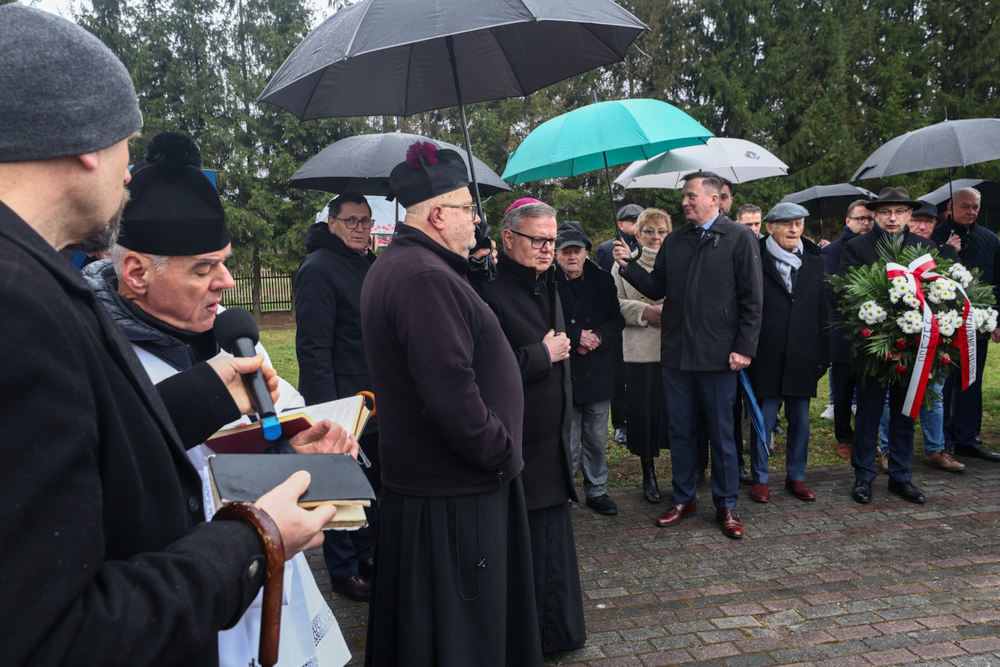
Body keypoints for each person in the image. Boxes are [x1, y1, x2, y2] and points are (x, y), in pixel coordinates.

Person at [0, 7, 335, 665]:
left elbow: (87, 444)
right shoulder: (18, 303)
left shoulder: (28, 277)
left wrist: (207, 392)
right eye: (129, 141)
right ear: (86, 142)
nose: (130, 174)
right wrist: (257, 536)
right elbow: (55, 634)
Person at [82, 131, 353, 667]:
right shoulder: (96, 356)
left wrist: (302, 452)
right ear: (136, 272)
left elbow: (278, 429)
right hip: (178, 606)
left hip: (274, 585)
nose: (225, 282)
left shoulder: (235, 339)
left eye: (224, 262)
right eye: (203, 268)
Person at [360, 142, 541, 667]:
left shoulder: (413, 266)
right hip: (456, 495)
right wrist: (502, 452)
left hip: (442, 490)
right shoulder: (424, 278)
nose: (476, 221)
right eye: (468, 209)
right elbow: (451, 401)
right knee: (464, 641)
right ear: (438, 215)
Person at [614, 171, 763, 539]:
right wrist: (628, 266)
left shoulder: (739, 238)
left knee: (721, 433)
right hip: (677, 354)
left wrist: (744, 348)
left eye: (692, 195)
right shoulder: (676, 240)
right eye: (684, 196)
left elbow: (752, 300)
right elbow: (657, 287)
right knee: (679, 430)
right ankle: (683, 498)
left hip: (718, 357)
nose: (685, 202)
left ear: (714, 198)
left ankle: (726, 504)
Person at [481, 200, 586, 653]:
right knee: (531, 550)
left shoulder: (550, 283)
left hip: (552, 439)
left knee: (552, 545)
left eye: (552, 240)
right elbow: (486, 372)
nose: (548, 249)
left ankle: (558, 632)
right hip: (521, 442)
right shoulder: (488, 292)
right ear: (508, 240)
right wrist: (541, 356)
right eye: (538, 240)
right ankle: (534, 638)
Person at [295, 191, 380, 602]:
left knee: (367, 483)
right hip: (341, 400)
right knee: (340, 484)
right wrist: (327, 414)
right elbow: (313, 347)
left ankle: (364, 554)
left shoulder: (366, 263)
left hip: (374, 397)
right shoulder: (318, 268)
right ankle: (343, 568)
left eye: (366, 220)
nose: (361, 228)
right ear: (331, 223)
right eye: (352, 220)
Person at [840, 187, 936, 505]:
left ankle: (900, 476)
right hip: (874, 351)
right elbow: (850, 300)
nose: (892, 217)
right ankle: (864, 476)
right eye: (885, 212)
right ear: (876, 215)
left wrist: (908, 343)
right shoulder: (857, 248)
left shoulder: (925, 247)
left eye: (899, 211)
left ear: (910, 215)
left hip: (913, 351)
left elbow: (937, 298)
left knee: (905, 413)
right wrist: (884, 343)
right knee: (868, 414)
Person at [870, 201, 965, 473]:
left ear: (937, 224)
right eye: (918, 221)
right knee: (891, 394)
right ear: (908, 220)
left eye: (930, 221)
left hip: (933, 336)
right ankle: (889, 449)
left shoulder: (943, 251)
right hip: (897, 337)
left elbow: (957, 296)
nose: (923, 226)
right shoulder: (887, 249)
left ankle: (936, 449)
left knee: (933, 391)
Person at [746, 203, 828, 503]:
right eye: (787, 224)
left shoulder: (815, 258)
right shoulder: (754, 256)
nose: (795, 230)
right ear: (770, 227)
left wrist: (823, 354)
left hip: (803, 354)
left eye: (799, 223)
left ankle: (797, 476)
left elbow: (823, 307)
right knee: (763, 421)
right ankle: (760, 478)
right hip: (765, 354)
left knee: (801, 421)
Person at [554, 220, 626, 516]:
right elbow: (540, 324)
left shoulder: (602, 280)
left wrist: (596, 336)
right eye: (566, 252)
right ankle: (564, 494)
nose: (572, 257)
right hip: (565, 373)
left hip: (596, 371)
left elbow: (616, 320)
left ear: (587, 253)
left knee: (596, 440)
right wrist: (575, 337)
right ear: (557, 255)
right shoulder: (546, 282)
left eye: (577, 251)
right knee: (567, 442)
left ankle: (597, 491)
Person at [931, 187, 1000, 462]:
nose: (970, 212)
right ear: (951, 206)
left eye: (975, 207)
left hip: (980, 322)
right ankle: (943, 439)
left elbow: (997, 281)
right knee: (945, 383)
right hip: (946, 324)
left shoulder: (990, 239)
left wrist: (998, 320)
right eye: (965, 207)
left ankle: (967, 438)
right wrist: (947, 250)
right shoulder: (937, 235)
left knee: (971, 381)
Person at [615, 208, 672, 503]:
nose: (656, 237)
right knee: (644, 415)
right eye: (649, 231)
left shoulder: (676, 262)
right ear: (637, 235)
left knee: (674, 415)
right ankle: (648, 473)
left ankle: (685, 471)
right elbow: (614, 303)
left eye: (662, 231)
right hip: (640, 349)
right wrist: (645, 312)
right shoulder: (621, 264)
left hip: (673, 350)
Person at [822, 200, 873, 456]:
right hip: (843, 331)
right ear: (848, 221)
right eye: (860, 218)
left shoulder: (877, 247)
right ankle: (843, 437)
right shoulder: (832, 251)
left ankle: (865, 437)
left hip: (874, 330)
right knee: (843, 389)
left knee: (869, 389)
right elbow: (830, 291)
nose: (866, 223)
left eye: (869, 219)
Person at [595, 203, 643, 444]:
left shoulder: (649, 248)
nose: (636, 224)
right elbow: (600, 285)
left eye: (640, 219)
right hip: (618, 320)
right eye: (632, 220)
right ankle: (620, 424)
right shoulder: (606, 249)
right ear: (620, 225)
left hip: (645, 321)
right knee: (619, 375)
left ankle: (640, 418)